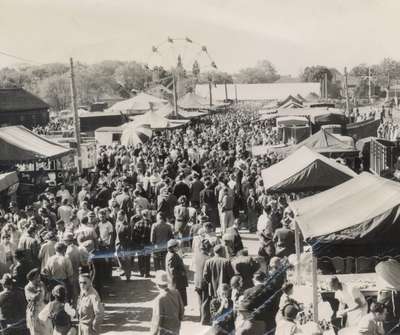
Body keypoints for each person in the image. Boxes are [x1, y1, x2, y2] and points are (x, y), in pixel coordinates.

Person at [150, 270, 184, 335]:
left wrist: (153, 333)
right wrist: (178, 321)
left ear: (157, 285)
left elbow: (157, 319)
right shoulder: (176, 293)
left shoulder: (159, 299)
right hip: (175, 328)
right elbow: (182, 310)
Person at [24, 268, 52, 335]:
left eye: (39, 277)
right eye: (37, 277)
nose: (39, 279)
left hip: (43, 308)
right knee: (36, 331)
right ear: (32, 279)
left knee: (47, 330)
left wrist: (49, 291)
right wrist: (39, 290)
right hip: (34, 311)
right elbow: (34, 298)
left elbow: (46, 298)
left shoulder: (41, 284)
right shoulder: (28, 287)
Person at [165, 239, 188, 306]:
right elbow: (173, 271)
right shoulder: (172, 256)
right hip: (177, 284)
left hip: (176, 283)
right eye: (176, 246)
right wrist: (182, 273)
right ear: (172, 247)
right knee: (179, 302)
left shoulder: (171, 254)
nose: (178, 247)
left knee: (179, 302)